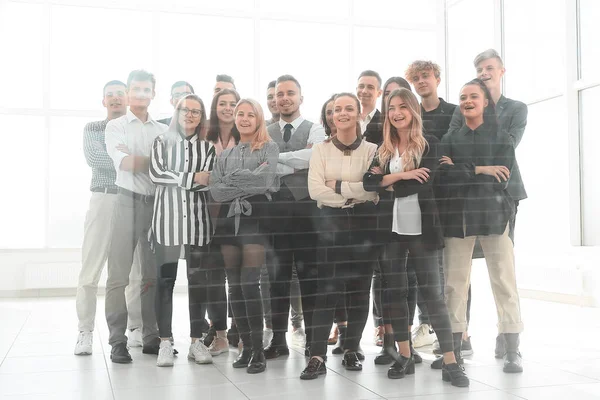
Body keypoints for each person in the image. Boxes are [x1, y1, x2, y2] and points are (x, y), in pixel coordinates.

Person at [363, 88, 469, 386]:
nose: (397, 113)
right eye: (392, 107)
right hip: (390, 231)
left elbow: (420, 185)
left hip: (422, 229)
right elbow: (369, 183)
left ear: (412, 111)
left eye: (402, 107)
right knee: (395, 293)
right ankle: (405, 356)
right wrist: (401, 175)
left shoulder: (429, 145)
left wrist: (388, 181)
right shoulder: (381, 149)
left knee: (432, 295)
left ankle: (451, 361)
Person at [439, 78, 524, 374]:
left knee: (504, 280)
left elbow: (502, 176)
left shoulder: (501, 136)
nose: (466, 101)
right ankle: (454, 351)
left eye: (473, 96)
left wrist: (461, 171)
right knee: (454, 284)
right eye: (462, 97)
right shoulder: (449, 139)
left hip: (494, 215)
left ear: (486, 101)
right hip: (457, 217)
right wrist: (480, 169)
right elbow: (443, 176)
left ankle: (512, 348)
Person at [300, 93, 378, 380]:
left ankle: (351, 349)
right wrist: (350, 196)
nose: (342, 113)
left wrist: (339, 187)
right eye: (336, 110)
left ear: (359, 114)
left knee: (359, 290)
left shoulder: (372, 150)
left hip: (364, 228)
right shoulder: (320, 150)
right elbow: (315, 190)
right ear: (330, 116)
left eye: (348, 108)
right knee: (327, 291)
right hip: (330, 226)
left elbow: (373, 189)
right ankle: (317, 355)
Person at [209, 98, 280, 374]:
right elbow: (216, 191)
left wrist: (233, 180)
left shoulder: (269, 147)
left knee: (250, 283)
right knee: (234, 286)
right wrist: (247, 178)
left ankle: (259, 352)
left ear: (259, 119)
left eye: (251, 114)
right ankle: (247, 347)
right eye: (240, 114)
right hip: (228, 222)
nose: (244, 118)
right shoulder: (225, 154)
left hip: (255, 222)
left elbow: (265, 182)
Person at [75, 80, 144, 355]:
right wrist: (129, 159)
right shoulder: (93, 129)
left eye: (120, 94)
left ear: (128, 99)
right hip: (104, 197)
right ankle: (85, 331)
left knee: (136, 269)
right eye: (110, 95)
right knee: (91, 268)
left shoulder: (137, 128)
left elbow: (145, 161)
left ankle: (135, 327)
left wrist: (131, 159)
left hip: (133, 199)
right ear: (104, 101)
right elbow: (97, 159)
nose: (115, 99)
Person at [104, 70, 168, 363]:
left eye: (147, 89)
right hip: (126, 203)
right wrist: (151, 162)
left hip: (155, 205)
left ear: (153, 94)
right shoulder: (115, 127)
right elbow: (126, 163)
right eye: (136, 89)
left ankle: (152, 336)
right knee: (118, 275)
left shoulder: (162, 131)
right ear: (128, 94)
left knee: (151, 276)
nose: (141, 94)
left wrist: (140, 160)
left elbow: (165, 168)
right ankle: (118, 340)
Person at [149, 94, 216, 367]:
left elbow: (208, 182)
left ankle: (196, 342)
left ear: (201, 117)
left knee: (198, 283)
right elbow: (156, 175)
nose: (189, 115)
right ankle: (165, 342)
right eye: (185, 110)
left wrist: (179, 179)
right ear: (176, 113)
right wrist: (191, 178)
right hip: (167, 223)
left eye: (196, 112)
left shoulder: (207, 148)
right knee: (166, 282)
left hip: (198, 224)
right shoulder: (161, 142)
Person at [265, 75, 326, 359]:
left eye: (291, 93)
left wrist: (277, 162)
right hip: (273, 212)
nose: (285, 98)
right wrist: (294, 163)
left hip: (306, 213)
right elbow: (258, 162)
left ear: (301, 98)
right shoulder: (264, 130)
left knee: (308, 276)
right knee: (276, 277)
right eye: (280, 94)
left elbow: (314, 158)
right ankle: (278, 339)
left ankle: (314, 340)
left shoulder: (316, 128)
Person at [405, 60, 457, 350]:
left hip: (446, 197)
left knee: (450, 269)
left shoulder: (453, 113)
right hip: (416, 197)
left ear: (437, 78)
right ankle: (425, 325)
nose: (422, 81)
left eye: (426, 76)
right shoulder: (410, 115)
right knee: (420, 267)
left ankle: (458, 332)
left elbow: (457, 149)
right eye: (417, 78)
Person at [203, 88, 241, 354]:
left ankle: (241, 328)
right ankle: (220, 335)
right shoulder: (205, 137)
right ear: (215, 107)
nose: (228, 108)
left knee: (238, 276)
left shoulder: (246, 137)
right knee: (213, 277)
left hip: (239, 214)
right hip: (209, 214)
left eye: (233, 104)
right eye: (223, 104)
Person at [357, 70, 383, 144]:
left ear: (379, 93)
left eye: (370, 87)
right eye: (361, 86)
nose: (364, 91)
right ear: (356, 89)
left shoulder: (384, 123)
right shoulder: (348, 118)